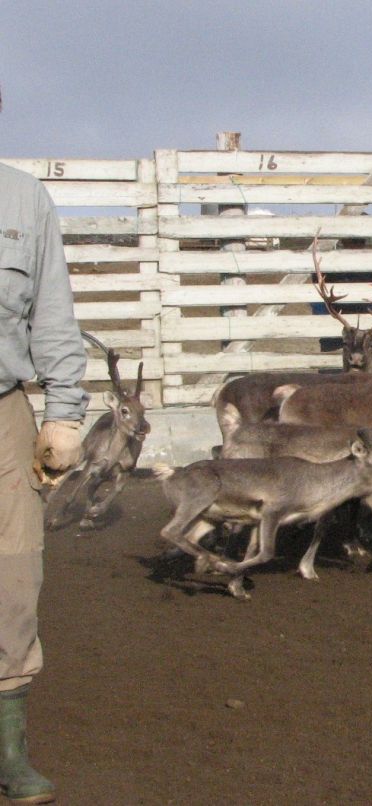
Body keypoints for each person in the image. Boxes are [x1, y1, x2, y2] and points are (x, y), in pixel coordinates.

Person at [1, 86, 88, 804]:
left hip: (2, 416)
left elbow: (51, 314)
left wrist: (63, 414)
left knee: (12, 580)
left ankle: (6, 749)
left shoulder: (25, 203)